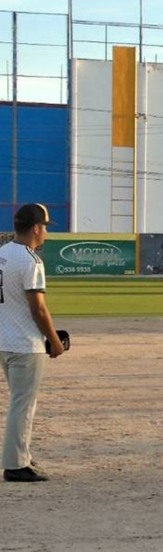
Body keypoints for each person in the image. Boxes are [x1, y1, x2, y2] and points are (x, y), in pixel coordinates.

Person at [1, 204, 66, 483]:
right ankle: (15, 465)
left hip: (4, 340)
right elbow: (38, 309)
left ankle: (21, 456)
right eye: (46, 227)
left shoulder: (2, 253)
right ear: (36, 228)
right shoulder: (31, 260)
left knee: (20, 402)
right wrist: (54, 341)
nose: (47, 233)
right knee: (23, 405)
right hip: (26, 344)